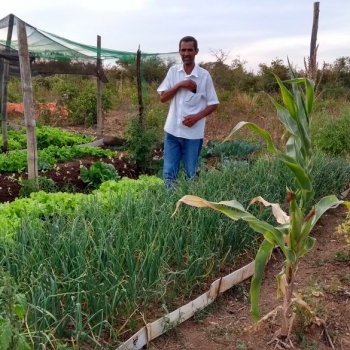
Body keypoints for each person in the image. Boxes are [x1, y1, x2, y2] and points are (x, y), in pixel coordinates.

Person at [157, 36, 219, 189]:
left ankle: (188, 207)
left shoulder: (204, 76)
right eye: (183, 50)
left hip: (192, 135)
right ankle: (170, 205)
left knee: (190, 174)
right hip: (172, 132)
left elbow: (213, 103)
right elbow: (163, 98)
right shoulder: (173, 72)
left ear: (196, 52)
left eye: (190, 50)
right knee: (169, 173)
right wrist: (180, 85)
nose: (186, 53)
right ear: (179, 52)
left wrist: (197, 117)